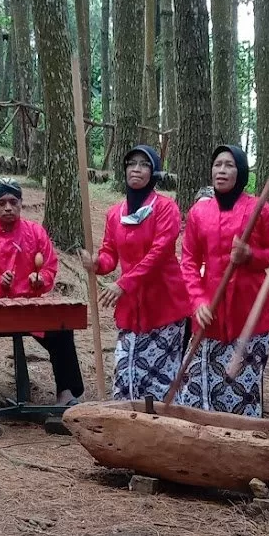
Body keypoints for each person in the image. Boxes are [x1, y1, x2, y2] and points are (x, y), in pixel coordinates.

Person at [0, 178, 84, 428]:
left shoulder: (36, 232)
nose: (8, 207)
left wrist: (39, 279)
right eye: (2, 203)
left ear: (22, 203)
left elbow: (49, 268)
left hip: (30, 306)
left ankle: (66, 394)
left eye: (13, 202)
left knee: (63, 328)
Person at [176, 145, 269, 416]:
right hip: (209, 315)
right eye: (217, 164)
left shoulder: (261, 210)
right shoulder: (199, 213)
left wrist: (251, 255)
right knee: (198, 389)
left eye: (229, 165)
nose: (221, 170)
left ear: (241, 171)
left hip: (250, 314)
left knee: (240, 393)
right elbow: (188, 262)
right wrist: (197, 301)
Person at [80, 145, 190, 400]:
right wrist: (97, 263)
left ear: (154, 172)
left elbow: (159, 253)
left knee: (159, 379)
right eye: (131, 164)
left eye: (143, 164)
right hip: (131, 308)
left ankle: (162, 431)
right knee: (126, 372)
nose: (136, 169)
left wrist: (123, 284)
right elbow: (109, 254)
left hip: (164, 306)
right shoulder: (114, 214)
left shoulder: (166, 208)